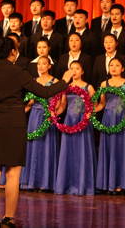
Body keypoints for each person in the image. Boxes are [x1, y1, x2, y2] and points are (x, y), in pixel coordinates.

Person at [0, 37, 72, 228]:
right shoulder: (19, 71)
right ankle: (8, 218)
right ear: (13, 52)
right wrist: (65, 79)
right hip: (15, 124)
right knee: (13, 175)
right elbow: (45, 92)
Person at [54, 61, 97, 196]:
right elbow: (63, 105)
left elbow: (95, 105)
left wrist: (89, 113)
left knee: (82, 150)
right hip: (69, 121)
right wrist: (54, 115)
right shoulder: (66, 87)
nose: (74, 71)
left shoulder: (88, 87)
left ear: (82, 71)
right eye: (71, 68)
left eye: (77, 68)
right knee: (68, 151)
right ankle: (67, 184)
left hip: (83, 121)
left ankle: (83, 185)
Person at [95, 58, 125, 194]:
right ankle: (109, 183)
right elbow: (102, 103)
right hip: (108, 118)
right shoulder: (104, 83)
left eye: (117, 65)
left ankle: (123, 183)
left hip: (123, 118)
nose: (113, 67)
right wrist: (91, 110)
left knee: (122, 148)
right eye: (111, 65)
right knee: (109, 148)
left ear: (122, 68)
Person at [20, 56, 62, 192]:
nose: (41, 66)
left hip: (48, 116)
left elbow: (58, 102)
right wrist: (20, 111)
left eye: (44, 64)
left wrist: (52, 114)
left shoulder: (55, 81)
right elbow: (31, 101)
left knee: (47, 146)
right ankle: (31, 181)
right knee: (33, 147)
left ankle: (46, 182)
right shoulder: (34, 81)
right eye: (39, 64)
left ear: (49, 66)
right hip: (34, 116)